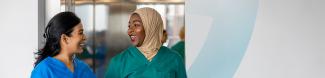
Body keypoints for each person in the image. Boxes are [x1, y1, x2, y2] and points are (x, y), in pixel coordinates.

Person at [105, 7, 187, 78]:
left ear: (151, 27)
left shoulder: (174, 59)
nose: (129, 31)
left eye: (136, 25)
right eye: (129, 26)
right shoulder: (119, 62)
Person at [31, 12, 96, 78]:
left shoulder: (84, 68)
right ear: (65, 39)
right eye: (80, 33)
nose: (85, 37)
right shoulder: (43, 71)